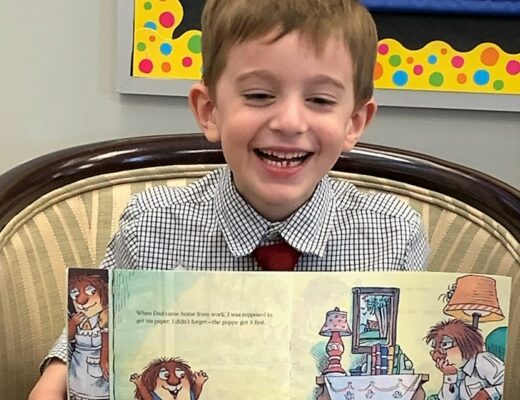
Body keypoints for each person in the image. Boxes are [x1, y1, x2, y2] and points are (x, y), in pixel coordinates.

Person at [29, 0, 429, 398]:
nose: (290, 121)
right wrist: (58, 375)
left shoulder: (395, 233)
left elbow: (405, 357)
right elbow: (100, 325)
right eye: (258, 95)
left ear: (353, 123)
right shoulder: (150, 224)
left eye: (320, 100)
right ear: (210, 112)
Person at [425, 319, 504, 400]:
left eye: (445, 345)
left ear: (465, 343)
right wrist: (450, 375)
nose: (436, 356)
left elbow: (510, 383)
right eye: (435, 348)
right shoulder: (457, 370)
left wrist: (486, 393)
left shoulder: (482, 360)